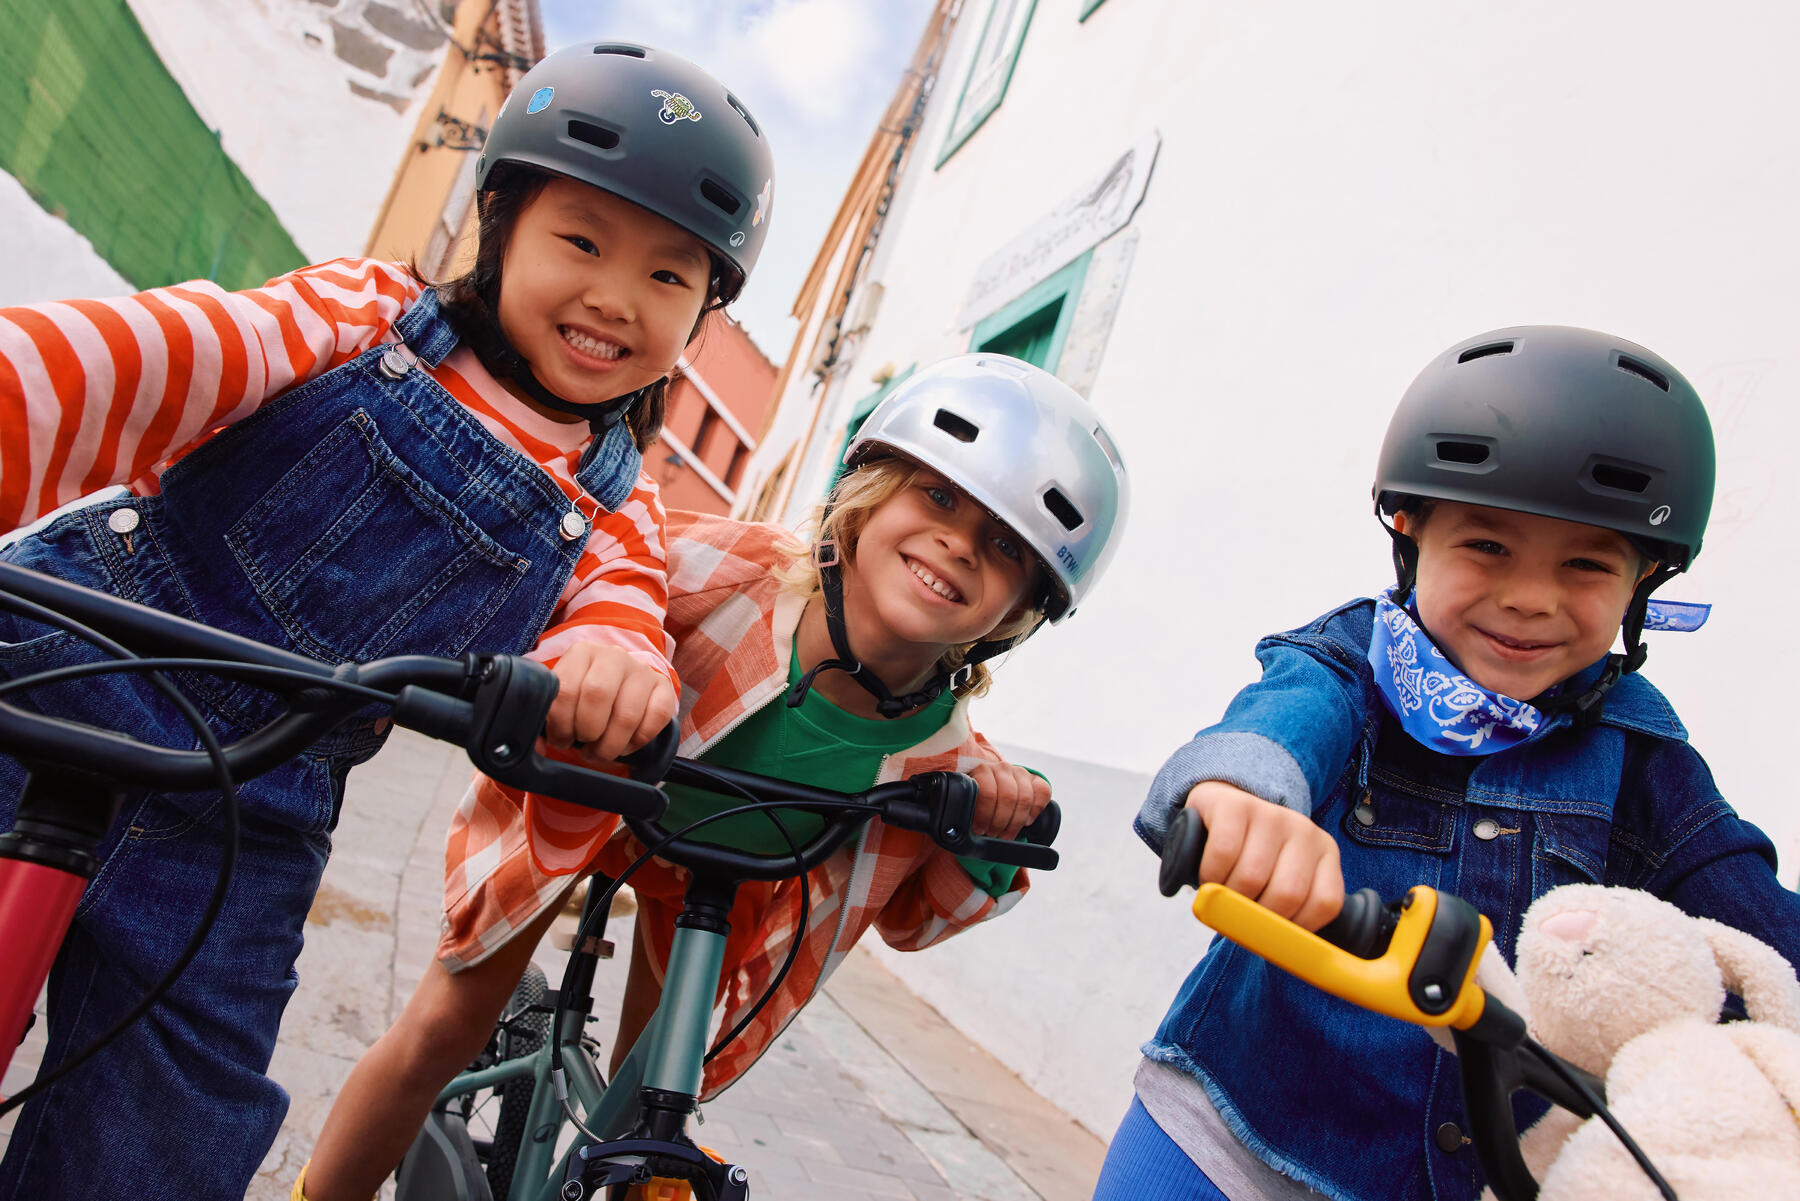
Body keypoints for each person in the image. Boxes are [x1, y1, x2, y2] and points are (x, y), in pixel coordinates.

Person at [0, 42, 772, 1201]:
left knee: (164, 1138)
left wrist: (609, 669)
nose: (617, 296)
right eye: (582, 241)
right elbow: (162, 355)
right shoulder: (363, 315)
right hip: (69, 665)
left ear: (703, 311)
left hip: (253, 806)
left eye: (671, 278)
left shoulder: (619, 504)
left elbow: (618, 621)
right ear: (499, 218)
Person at [294, 353, 1132, 1201]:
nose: (957, 543)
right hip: (591, 800)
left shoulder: (945, 755)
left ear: (1021, 611)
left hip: (708, 884)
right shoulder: (721, 572)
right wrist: (591, 649)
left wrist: (997, 826)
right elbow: (607, 570)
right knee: (444, 1023)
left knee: (651, 1109)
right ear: (866, 496)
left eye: (1002, 545)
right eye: (940, 496)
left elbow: (916, 917)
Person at [1094, 326, 1800, 1201]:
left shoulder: (1642, 752)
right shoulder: (1354, 661)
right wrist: (1244, 797)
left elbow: (1749, 906)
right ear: (1411, 529)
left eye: (1586, 563)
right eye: (1487, 546)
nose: (1530, 597)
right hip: (1231, 1134)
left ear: (1643, 583)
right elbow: (1282, 720)